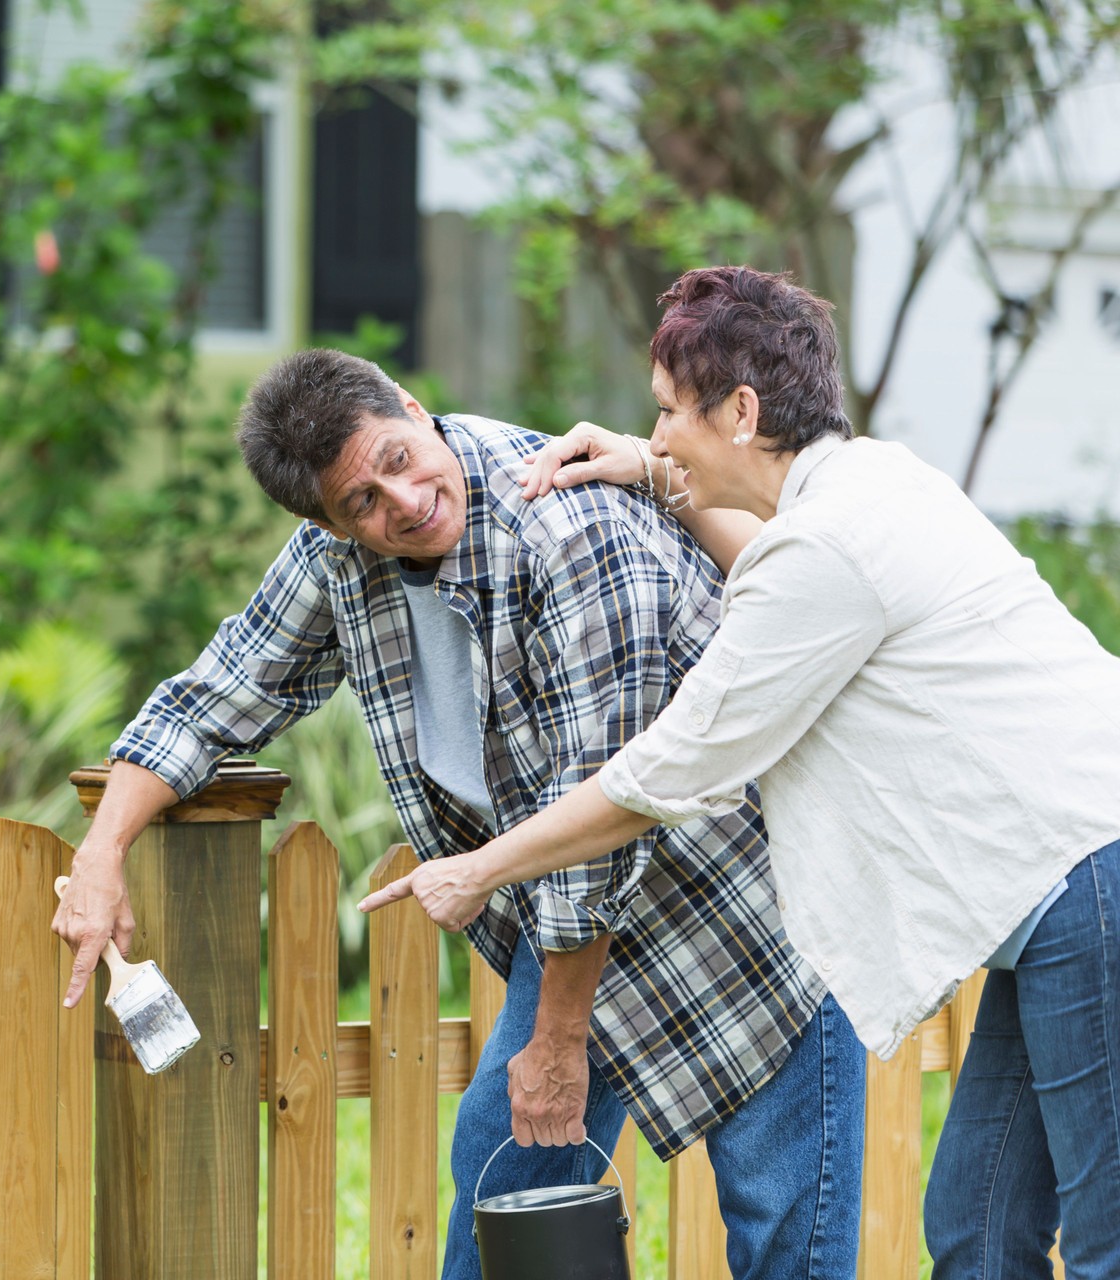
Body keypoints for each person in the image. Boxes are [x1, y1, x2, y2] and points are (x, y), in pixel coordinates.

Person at [363, 264, 1120, 1276]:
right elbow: (771, 562)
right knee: (978, 1226)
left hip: (1092, 880)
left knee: (1105, 1233)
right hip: (1061, 896)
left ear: (743, 409)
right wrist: (644, 466)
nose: (662, 431)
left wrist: (482, 865)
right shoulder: (864, 485)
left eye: (670, 410)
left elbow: (664, 773)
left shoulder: (833, 548)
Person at [52, 347, 865, 1279]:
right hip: (577, 920)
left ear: (411, 405)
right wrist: (104, 849)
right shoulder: (340, 557)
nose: (399, 502)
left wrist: (557, 1042)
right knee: (502, 1191)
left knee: (781, 1236)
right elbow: (219, 693)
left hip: (752, 909)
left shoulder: (565, 526)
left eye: (398, 459)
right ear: (327, 522)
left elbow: (602, 807)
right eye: (361, 502)